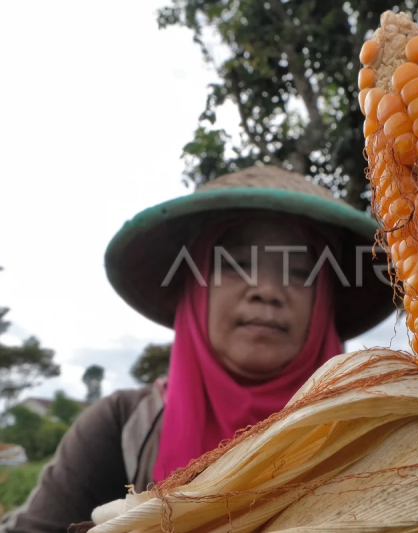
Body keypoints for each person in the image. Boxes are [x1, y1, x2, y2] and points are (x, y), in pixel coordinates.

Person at [0, 166, 397, 533]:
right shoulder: (120, 427)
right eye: (237, 264)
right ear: (194, 289)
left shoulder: (378, 430)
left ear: (326, 299)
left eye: (300, 272)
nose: (268, 291)